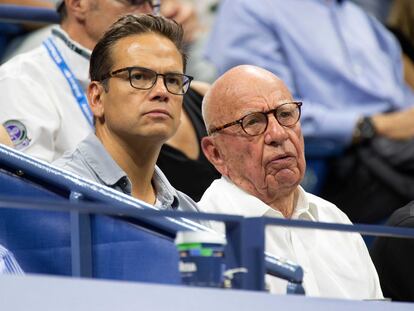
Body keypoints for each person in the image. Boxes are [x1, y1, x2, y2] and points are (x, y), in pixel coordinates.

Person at [204, 0, 414, 222]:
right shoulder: (251, 8)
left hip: (398, 147)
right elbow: (260, 111)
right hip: (345, 156)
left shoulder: (359, 17)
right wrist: (371, 125)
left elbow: (401, 94)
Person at [0, 0, 218, 200]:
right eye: (134, 1)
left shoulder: (183, 204)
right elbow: (30, 196)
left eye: (154, 4)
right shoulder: (21, 80)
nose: (147, 12)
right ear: (78, 4)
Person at [198, 65, 383, 299]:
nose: (278, 134)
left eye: (285, 115)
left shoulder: (334, 220)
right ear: (215, 153)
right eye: (252, 122)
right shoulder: (203, 236)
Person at [54, 14, 199, 213]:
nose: (162, 92)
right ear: (97, 98)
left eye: (173, 80)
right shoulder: (56, 192)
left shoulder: (190, 213)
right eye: (138, 76)